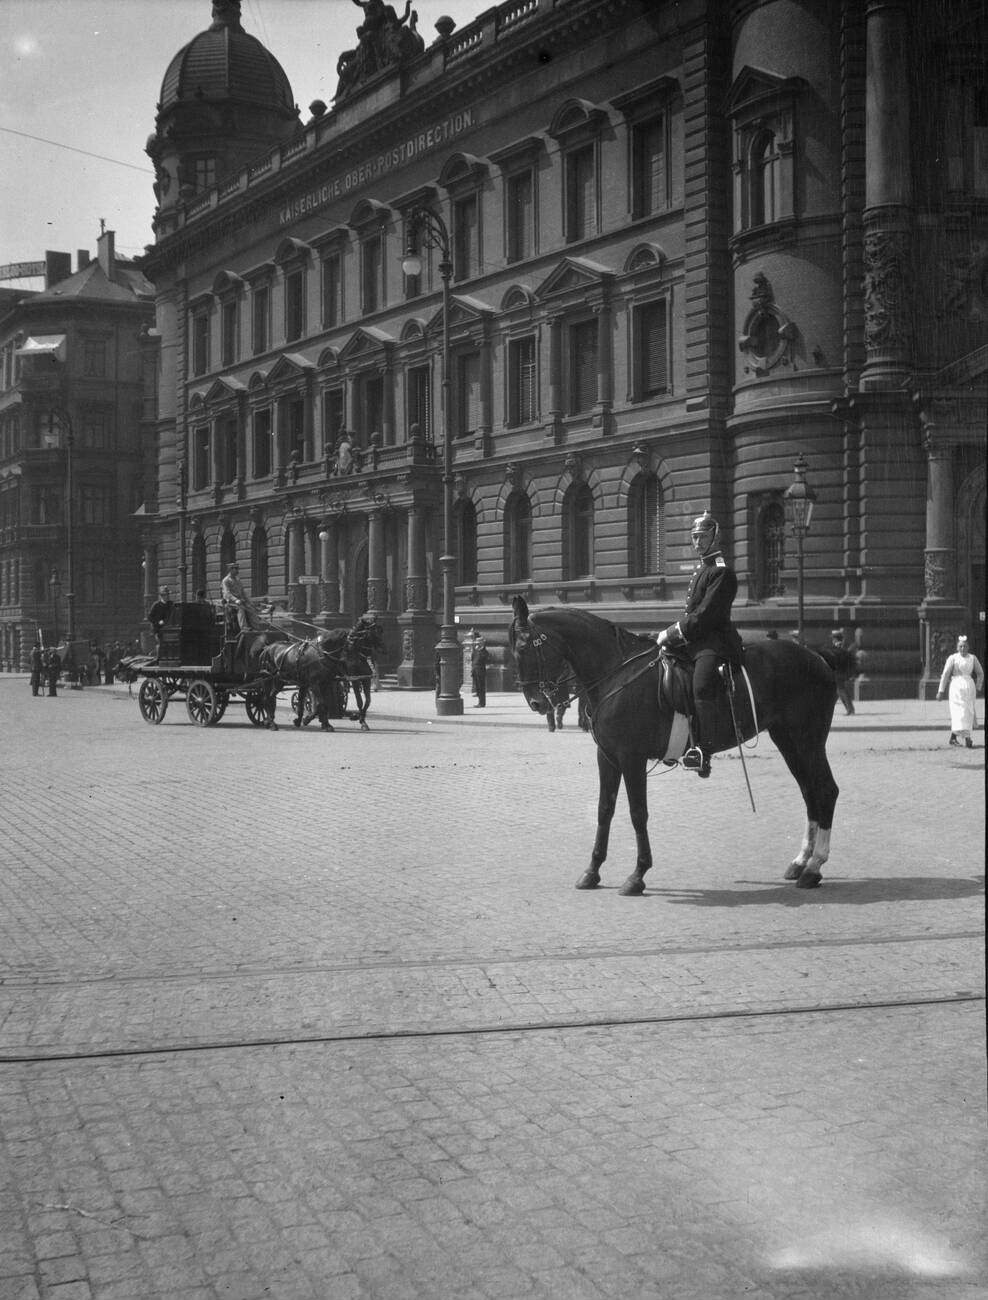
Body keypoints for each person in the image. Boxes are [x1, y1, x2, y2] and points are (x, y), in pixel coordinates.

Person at [653, 510, 742, 778]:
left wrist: (672, 632)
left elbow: (705, 616)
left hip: (714, 641)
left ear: (715, 537)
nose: (697, 542)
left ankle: (704, 750)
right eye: (694, 537)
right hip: (693, 640)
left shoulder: (721, 572)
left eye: (702, 537)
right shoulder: (704, 569)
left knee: (701, 685)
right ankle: (672, 740)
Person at [936, 634, 984, 748]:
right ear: (957, 648)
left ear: (968, 647)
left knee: (968, 712)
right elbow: (946, 674)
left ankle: (954, 737)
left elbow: (980, 673)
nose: (963, 649)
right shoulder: (953, 658)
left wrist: (978, 686)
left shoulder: (973, 658)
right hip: (956, 688)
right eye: (960, 646)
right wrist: (941, 690)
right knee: (959, 712)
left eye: (965, 646)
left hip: (969, 688)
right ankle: (967, 738)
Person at [221, 563, 262, 632]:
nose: (237, 571)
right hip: (231, 603)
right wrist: (236, 600)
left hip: (240, 601)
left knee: (251, 608)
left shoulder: (238, 580)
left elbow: (243, 592)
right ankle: (244, 628)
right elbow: (227, 593)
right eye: (235, 569)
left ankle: (256, 628)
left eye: (237, 569)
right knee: (241, 609)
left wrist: (249, 602)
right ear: (230, 570)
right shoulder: (226, 580)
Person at [830, 629, 857, 715]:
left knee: (841, 690)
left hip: (840, 671)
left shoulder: (838, 646)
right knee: (839, 691)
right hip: (841, 671)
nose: (832, 640)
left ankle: (850, 709)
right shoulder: (841, 645)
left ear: (835, 638)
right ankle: (849, 709)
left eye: (833, 638)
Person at [147, 586, 174, 658]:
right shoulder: (156, 605)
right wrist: (158, 622)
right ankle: (159, 659)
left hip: (168, 629)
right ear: (162, 596)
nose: (168, 596)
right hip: (158, 629)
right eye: (166, 595)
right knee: (161, 644)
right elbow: (150, 617)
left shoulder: (171, 604)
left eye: (168, 594)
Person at [471, 636, 490, 708]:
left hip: (481, 671)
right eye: (477, 642)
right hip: (475, 671)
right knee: (477, 687)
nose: (477, 644)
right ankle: (479, 701)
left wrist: (481, 649)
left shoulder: (484, 651)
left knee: (481, 687)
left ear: (482, 643)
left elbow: (485, 659)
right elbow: (472, 660)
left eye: (479, 642)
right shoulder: (475, 650)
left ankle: (482, 703)